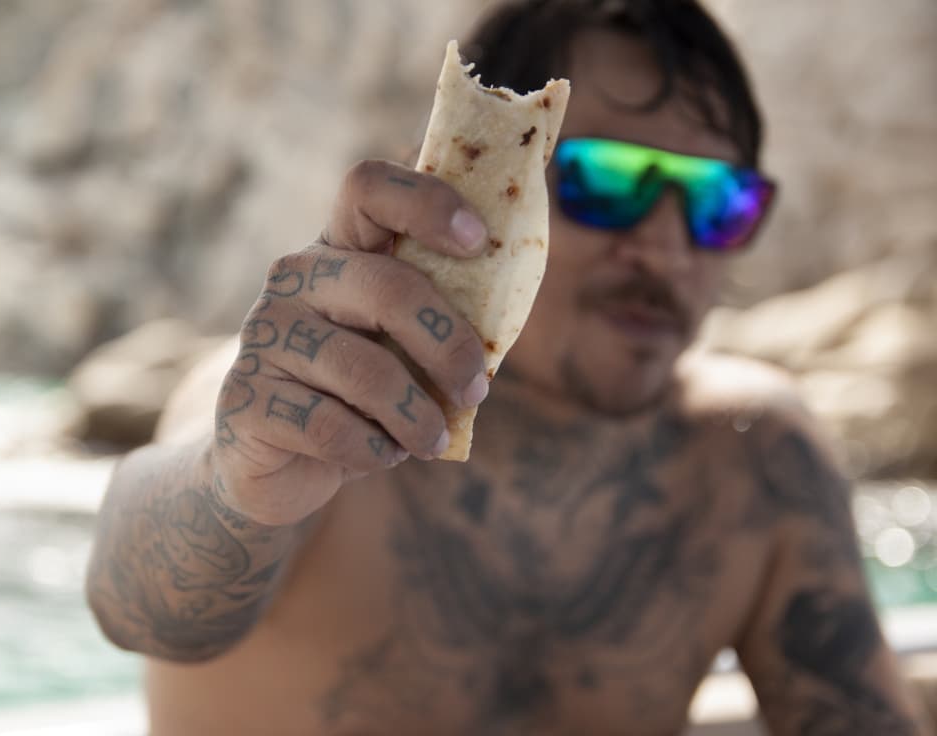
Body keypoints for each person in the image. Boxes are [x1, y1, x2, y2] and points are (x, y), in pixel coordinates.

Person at [85, 1, 933, 734]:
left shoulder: (754, 459)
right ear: (483, 176)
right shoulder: (319, 402)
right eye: (609, 181)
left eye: (719, 202)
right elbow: (141, 604)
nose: (667, 249)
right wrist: (234, 483)